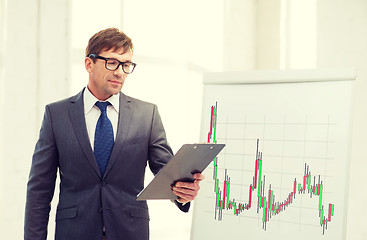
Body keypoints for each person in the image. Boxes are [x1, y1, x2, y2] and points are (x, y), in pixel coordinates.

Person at [24, 27, 204, 240]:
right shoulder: (57, 115)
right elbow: (39, 191)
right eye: (112, 62)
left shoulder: (147, 114)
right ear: (89, 64)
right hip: (74, 233)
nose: (119, 71)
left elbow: (166, 173)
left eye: (126, 65)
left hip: (129, 232)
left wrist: (183, 192)